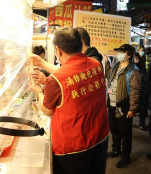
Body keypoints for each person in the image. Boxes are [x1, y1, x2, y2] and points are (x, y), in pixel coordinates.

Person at [30, 27, 109, 174]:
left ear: (58, 51)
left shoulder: (56, 80)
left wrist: (38, 90)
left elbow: (46, 110)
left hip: (74, 149)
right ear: (80, 44)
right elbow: (72, 74)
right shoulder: (96, 64)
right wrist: (41, 64)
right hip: (100, 138)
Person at [105, 44, 142, 168]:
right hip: (112, 104)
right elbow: (108, 75)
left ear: (129, 55)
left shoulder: (133, 71)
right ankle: (116, 150)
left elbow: (135, 91)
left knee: (125, 132)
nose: (119, 54)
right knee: (114, 129)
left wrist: (132, 109)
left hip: (124, 105)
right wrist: (106, 63)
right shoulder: (115, 66)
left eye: (122, 52)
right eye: (118, 51)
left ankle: (125, 157)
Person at [133, 51, 147, 130]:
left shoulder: (142, 66)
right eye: (135, 58)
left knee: (142, 107)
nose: (137, 60)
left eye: (138, 58)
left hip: (142, 89)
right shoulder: (131, 67)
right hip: (134, 90)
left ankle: (142, 123)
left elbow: (145, 76)